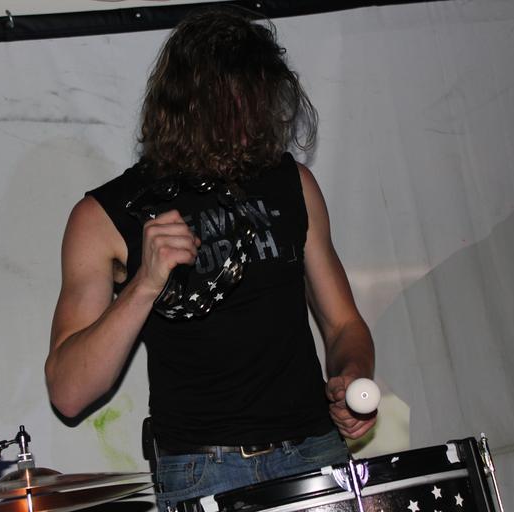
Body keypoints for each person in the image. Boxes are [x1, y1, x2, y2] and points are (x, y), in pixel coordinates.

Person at [45, 8, 375, 510]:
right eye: (237, 103)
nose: (254, 119)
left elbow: (344, 324)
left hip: (315, 453)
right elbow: (69, 392)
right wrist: (144, 284)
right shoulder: (104, 216)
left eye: (259, 101)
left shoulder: (293, 183)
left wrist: (351, 373)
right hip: (205, 472)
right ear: (188, 103)